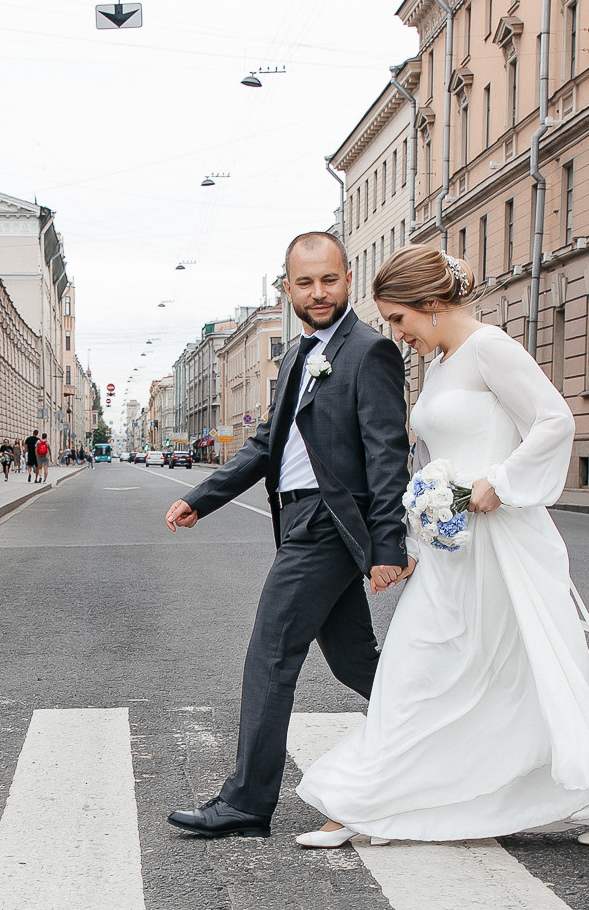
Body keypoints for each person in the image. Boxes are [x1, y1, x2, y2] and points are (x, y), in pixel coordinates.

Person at [293, 245, 589, 849]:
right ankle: (368, 804)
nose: (396, 334)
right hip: (450, 544)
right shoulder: (440, 364)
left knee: (521, 671)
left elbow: (554, 420)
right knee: (416, 667)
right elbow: (436, 457)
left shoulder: (490, 348)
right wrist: (415, 529)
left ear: (433, 304)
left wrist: (503, 480)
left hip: (500, 542)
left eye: (399, 319)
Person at [163, 232, 412, 839]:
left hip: (328, 525)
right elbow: (266, 444)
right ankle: (446, 738)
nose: (318, 292)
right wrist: (203, 498)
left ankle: (248, 801)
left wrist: (388, 546)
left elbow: (387, 454)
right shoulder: (299, 355)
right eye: (305, 282)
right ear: (288, 288)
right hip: (298, 518)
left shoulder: (370, 351)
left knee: (270, 657)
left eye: (329, 279)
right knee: (356, 661)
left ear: (349, 280)